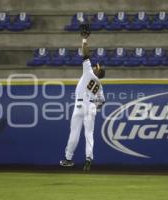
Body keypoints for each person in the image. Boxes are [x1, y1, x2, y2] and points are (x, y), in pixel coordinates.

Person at [60, 30, 106, 171]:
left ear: (98, 72)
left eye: (97, 68)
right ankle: (88, 159)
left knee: (74, 133)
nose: (94, 67)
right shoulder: (99, 86)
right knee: (89, 134)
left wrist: (84, 40)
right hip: (91, 106)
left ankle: (68, 159)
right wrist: (95, 109)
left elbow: (85, 54)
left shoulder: (89, 72)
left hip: (80, 105)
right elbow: (102, 101)